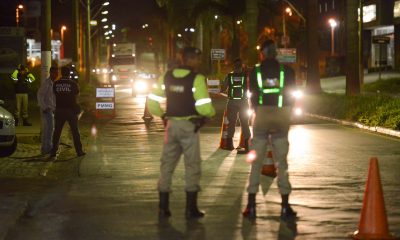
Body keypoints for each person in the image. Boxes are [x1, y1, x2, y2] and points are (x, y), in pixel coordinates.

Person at [148, 47, 216, 219]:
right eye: (197, 59)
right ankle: (190, 209)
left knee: (167, 165)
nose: (199, 62)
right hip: (189, 127)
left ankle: (163, 208)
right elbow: (203, 106)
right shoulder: (197, 78)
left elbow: (152, 99)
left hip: (171, 126)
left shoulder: (167, 76)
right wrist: (209, 114)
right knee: (192, 165)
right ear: (190, 60)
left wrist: (161, 114)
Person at [242, 39, 297, 220]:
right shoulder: (287, 71)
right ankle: (285, 207)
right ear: (276, 53)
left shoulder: (255, 71)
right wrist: (286, 111)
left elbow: (253, 96)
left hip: (262, 115)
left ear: (262, 53)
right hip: (281, 115)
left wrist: (257, 111)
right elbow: (291, 95)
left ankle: (251, 206)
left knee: (256, 161)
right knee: (281, 162)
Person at [50, 66, 85, 158]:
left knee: (57, 132)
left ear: (61, 73)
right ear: (69, 74)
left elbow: (53, 96)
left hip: (59, 110)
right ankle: (79, 151)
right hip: (71, 111)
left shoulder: (56, 84)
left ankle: (53, 151)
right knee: (75, 132)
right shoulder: (73, 84)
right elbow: (77, 95)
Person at [221, 58, 251, 153]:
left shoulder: (229, 76)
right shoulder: (246, 76)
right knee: (245, 123)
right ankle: (247, 145)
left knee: (231, 123)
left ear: (234, 66)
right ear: (241, 65)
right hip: (243, 102)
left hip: (232, 102)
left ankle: (229, 145)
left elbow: (223, 87)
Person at [37, 66, 58, 155]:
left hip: (52, 109)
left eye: (57, 73)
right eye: (54, 73)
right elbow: (40, 95)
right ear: (51, 73)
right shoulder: (47, 83)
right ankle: (47, 148)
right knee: (49, 129)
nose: (56, 74)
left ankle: (46, 148)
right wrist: (44, 107)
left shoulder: (55, 83)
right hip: (47, 109)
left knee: (50, 129)